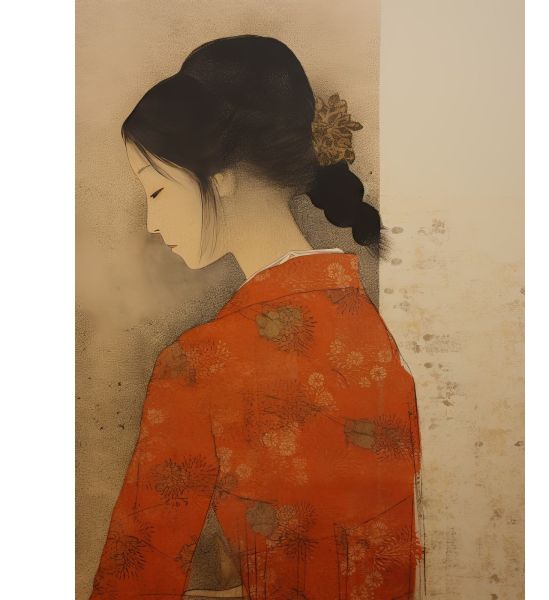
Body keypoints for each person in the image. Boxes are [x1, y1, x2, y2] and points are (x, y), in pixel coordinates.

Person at [89, 34, 423, 600]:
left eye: (156, 190)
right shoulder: (375, 337)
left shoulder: (200, 364)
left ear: (221, 175)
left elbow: (135, 583)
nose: (152, 222)